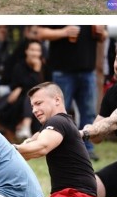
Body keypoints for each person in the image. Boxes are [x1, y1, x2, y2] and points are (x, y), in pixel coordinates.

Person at [51, 47, 117, 197]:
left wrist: (83, 132)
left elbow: (113, 122)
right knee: (87, 188)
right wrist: (94, 128)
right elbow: (100, 135)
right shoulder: (114, 93)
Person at [36, 25, 107, 160]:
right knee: (56, 113)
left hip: (88, 71)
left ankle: (87, 150)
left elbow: (104, 36)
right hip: (62, 72)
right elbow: (40, 32)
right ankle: (54, 148)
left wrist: (101, 32)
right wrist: (63, 32)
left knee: (89, 112)